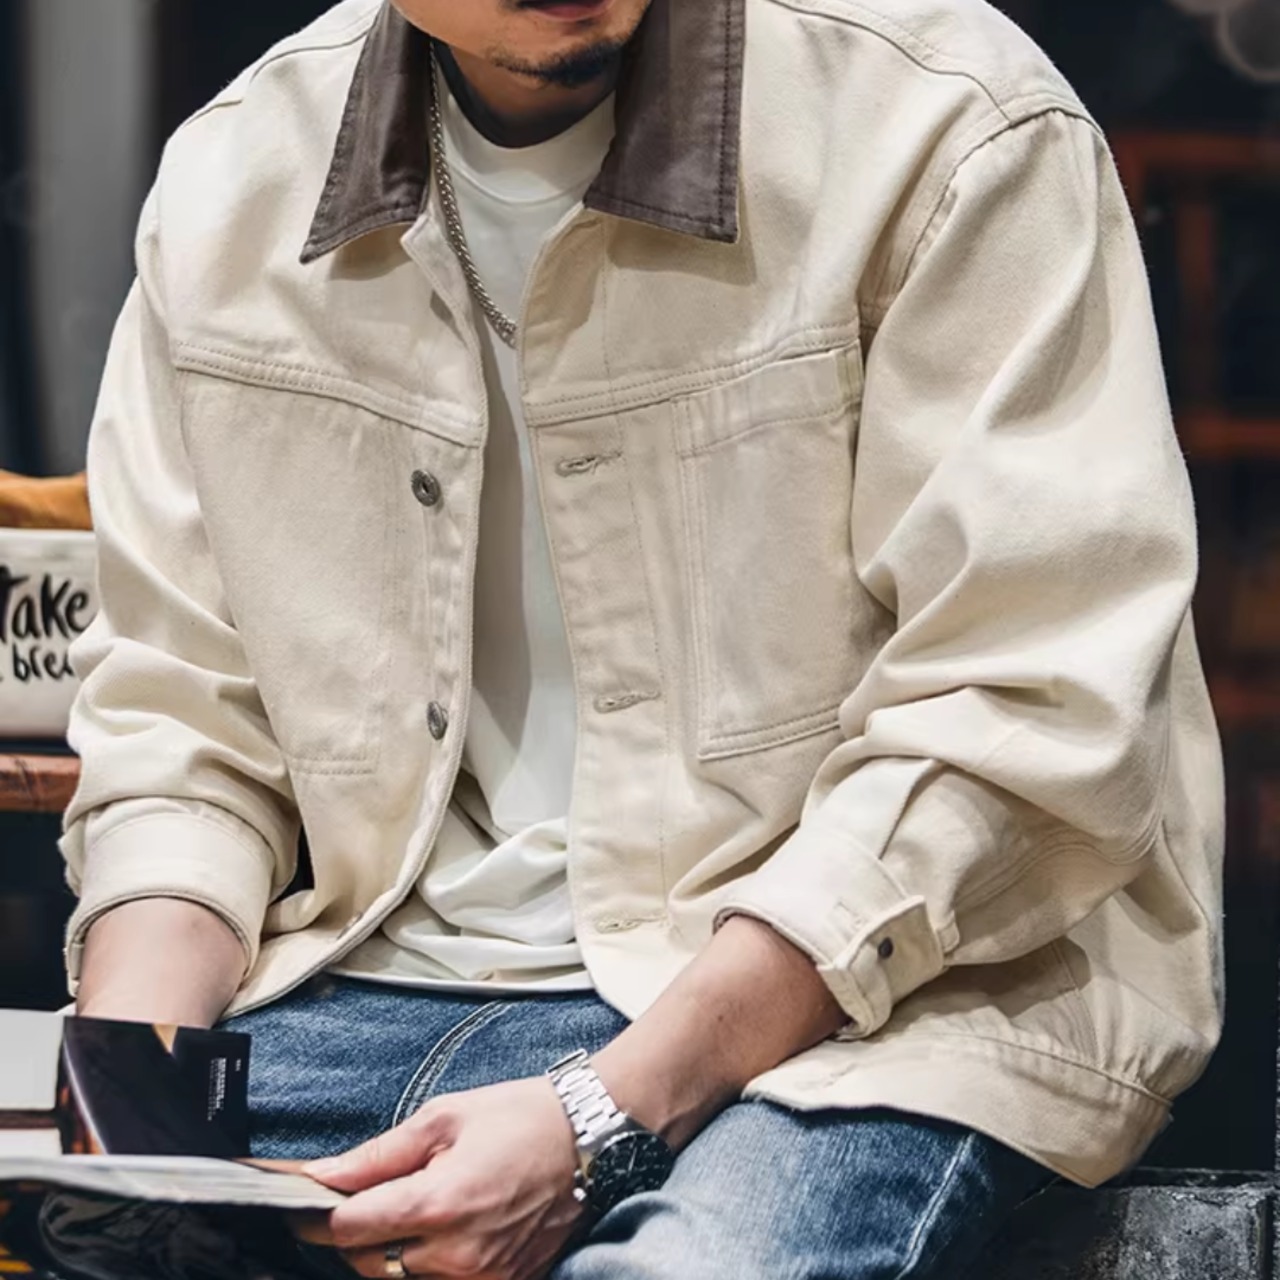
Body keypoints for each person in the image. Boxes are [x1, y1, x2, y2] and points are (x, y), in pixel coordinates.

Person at [60, 0, 1226, 1276]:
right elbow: (183, 723)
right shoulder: (235, 177)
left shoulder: (941, 118)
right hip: (357, 983)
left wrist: (600, 1110)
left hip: (867, 1010)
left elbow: (1019, 710)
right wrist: (126, 1109)